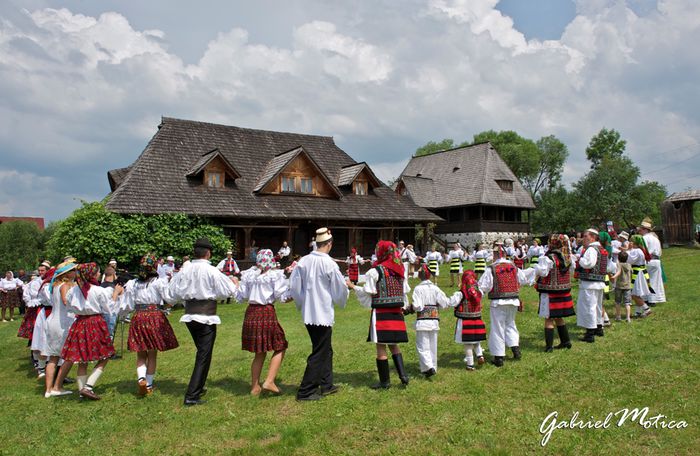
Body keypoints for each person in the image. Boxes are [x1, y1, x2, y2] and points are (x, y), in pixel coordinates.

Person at [168, 238, 237, 406]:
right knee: (203, 356)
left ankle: (198, 386)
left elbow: (172, 292)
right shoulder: (212, 271)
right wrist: (234, 284)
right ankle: (192, 395)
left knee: (202, 353)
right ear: (208, 253)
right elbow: (226, 291)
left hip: (190, 316)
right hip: (205, 317)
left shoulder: (185, 270)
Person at [289, 227, 349, 401]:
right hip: (321, 313)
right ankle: (306, 390)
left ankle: (326, 384)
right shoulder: (329, 263)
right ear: (329, 244)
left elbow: (294, 287)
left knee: (325, 349)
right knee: (320, 352)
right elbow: (339, 289)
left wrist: (302, 303)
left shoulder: (304, 261)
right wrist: (344, 294)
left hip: (309, 313)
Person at [54, 263, 124, 400]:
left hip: (80, 323)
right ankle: (88, 387)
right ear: (92, 274)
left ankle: (82, 391)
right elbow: (109, 308)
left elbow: (68, 306)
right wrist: (115, 294)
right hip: (95, 322)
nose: (98, 274)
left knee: (82, 359)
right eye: (97, 272)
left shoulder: (73, 291)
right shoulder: (98, 290)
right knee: (106, 355)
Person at [349, 240, 411, 389]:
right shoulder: (400, 270)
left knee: (381, 346)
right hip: (396, 312)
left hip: (382, 313)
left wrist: (353, 286)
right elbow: (404, 293)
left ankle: (385, 382)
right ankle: (403, 376)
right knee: (394, 345)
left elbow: (368, 292)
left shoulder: (375, 271)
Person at [118, 254, 179, 396]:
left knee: (141, 352)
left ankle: (141, 379)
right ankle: (149, 384)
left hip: (138, 317)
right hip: (154, 317)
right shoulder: (159, 282)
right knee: (152, 353)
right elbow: (169, 298)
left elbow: (126, 304)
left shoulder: (133, 283)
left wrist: (122, 314)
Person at [234, 249, 290, 396]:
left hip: (251, 313)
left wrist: (235, 283)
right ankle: (269, 381)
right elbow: (281, 295)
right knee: (280, 345)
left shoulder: (249, 275)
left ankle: (254, 387)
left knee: (260, 352)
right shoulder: (273, 275)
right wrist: (293, 294)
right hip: (266, 312)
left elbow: (243, 295)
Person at [478, 245, 535, 366]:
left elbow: (484, 286)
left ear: (495, 255)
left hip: (498, 302)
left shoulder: (492, 268)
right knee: (510, 324)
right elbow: (523, 279)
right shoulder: (513, 266)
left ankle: (499, 357)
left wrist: (476, 296)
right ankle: (515, 349)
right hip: (513, 301)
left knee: (498, 327)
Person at [532, 234, 575, 352]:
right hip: (564, 291)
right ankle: (566, 341)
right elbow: (571, 270)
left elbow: (543, 272)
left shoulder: (548, 257)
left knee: (549, 318)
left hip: (549, 292)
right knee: (559, 317)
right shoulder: (568, 257)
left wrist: (534, 271)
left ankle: (549, 347)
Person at [42, 260, 77, 398]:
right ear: (67, 273)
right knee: (70, 356)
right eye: (73, 270)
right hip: (63, 323)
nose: (76, 272)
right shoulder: (66, 285)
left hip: (53, 321)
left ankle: (48, 389)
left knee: (53, 357)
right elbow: (65, 301)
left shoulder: (55, 285)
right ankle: (57, 386)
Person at [408, 265, 451, 377]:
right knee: (433, 346)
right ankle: (431, 368)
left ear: (420, 276)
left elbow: (417, 305)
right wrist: (436, 306)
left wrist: (409, 308)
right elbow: (445, 303)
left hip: (423, 321)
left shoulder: (418, 288)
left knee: (422, 346)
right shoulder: (436, 288)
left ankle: (429, 367)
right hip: (434, 321)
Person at [575, 229, 609, 343]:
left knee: (588, 307)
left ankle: (590, 333)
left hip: (589, 283)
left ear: (593, 237)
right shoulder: (602, 249)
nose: (583, 239)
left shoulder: (591, 249)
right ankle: (599, 328)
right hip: (599, 282)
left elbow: (589, 263)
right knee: (597, 306)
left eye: (586, 236)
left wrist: (579, 259)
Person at [449, 270, 486, 371]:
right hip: (477, 319)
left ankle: (470, 365)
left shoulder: (460, 294)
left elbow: (452, 302)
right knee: (476, 341)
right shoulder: (479, 292)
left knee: (468, 344)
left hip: (465, 321)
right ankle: (480, 355)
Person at [19, 262, 50, 369]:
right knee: (35, 334)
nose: (41, 272)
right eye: (39, 270)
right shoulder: (35, 282)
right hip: (36, 309)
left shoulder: (49, 281)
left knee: (44, 333)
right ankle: (35, 358)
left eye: (43, 270)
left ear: (47, 270)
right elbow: (28, 293)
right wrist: (31, 302)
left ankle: (45, 357)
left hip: (44, 308)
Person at [638, 218, 665, 306]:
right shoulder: (656, 239)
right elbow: (660, 252)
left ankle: (648, 299)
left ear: (645, 229)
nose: (639, 231)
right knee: (654, 280)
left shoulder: (644, 238)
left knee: (645, 280)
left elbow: (643, 251)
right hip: (656, 260)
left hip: (648, 260)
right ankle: (651, 299)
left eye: (641, 229)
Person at [627, 235, 653, 319]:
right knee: (636, 293)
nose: (629, 242)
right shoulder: (640, 250)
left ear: (634, 243)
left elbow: (629, 259)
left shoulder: (636, 251)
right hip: (640, 272)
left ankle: (646, 309)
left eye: (631, 241)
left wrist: (628, 250)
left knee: (634, 294)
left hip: (637, 273)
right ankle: (637, 312)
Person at [612, 251, 633, 322]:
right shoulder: (629, 265)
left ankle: (618, 316)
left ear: (618, 258)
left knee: (618, 302)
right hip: (628, 286)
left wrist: (613, 277)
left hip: (619, 286)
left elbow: (618, 272)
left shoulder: (619, 265)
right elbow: (631, 273)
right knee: (627, 303)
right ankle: (628, 318)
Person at [100, 264, 119, 340]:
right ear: (114, 274)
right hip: (110, 314)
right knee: (109, 336)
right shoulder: (113, 287)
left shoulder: (99, 286)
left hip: (101, 313)